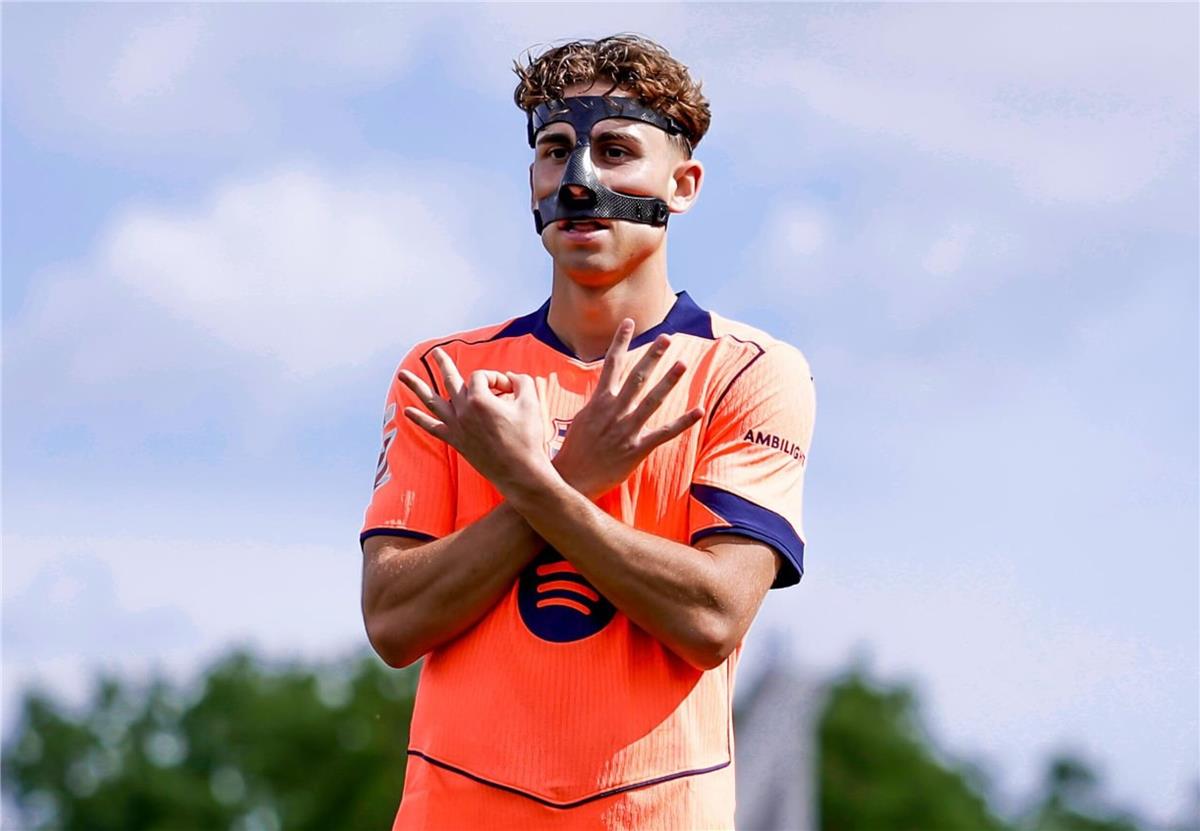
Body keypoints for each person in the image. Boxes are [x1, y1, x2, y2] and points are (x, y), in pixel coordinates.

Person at [359, 33, 816, 830]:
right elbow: (394, 622)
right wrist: (574, 476)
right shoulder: (446, 374)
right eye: (555, 151)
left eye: (614, 151)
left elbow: (711, 618)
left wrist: (538, 479)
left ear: (683, 185)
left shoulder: (748, 372)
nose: (578, 180)